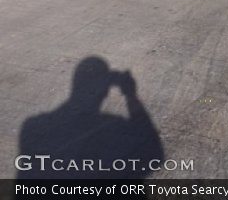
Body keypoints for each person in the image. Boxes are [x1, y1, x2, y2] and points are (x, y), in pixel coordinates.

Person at [17, 56, 163, 179]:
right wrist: (130, 95)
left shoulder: (32, 126)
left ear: (75, 86)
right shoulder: (114, 126)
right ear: (105, 91)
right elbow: (154, 154)